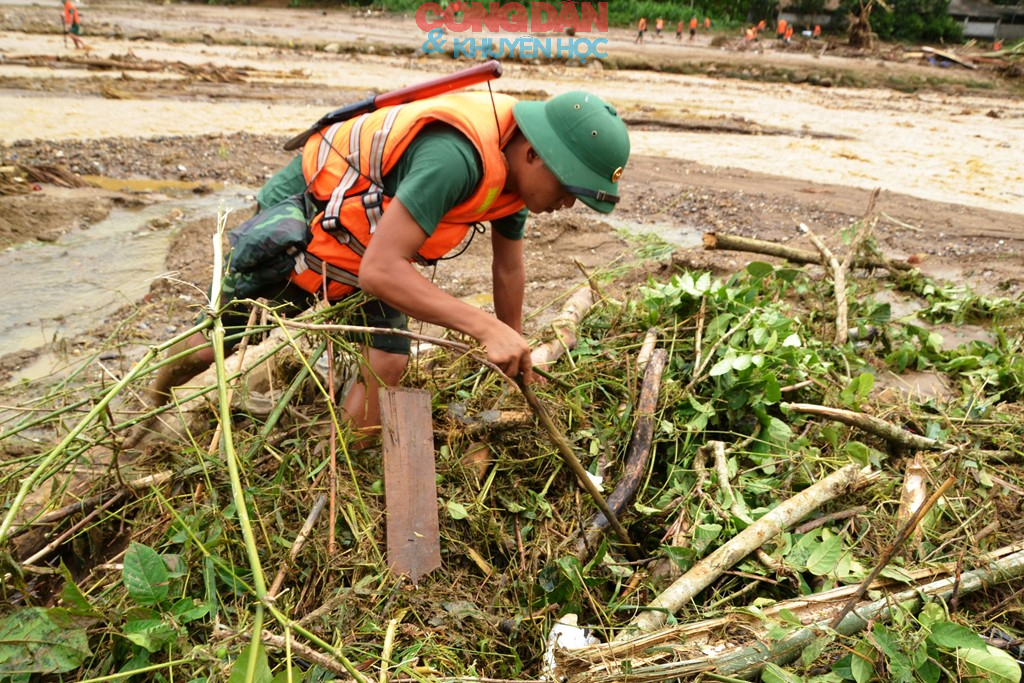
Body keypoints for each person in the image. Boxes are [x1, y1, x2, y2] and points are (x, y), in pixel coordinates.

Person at [146, 90, 631, 439]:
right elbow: (380, 272)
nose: (568, 205)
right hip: (311, 213)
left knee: (389, 360)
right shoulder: (455, 159)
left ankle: (347, 461)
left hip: (374, 236)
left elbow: (507, 270)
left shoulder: (517, 183)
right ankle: (155, 398)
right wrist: (485, 328)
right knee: (226, 334)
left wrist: (515, 342)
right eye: (569, 190)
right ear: (534, 154)